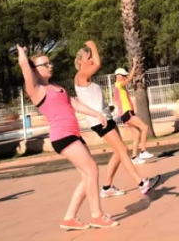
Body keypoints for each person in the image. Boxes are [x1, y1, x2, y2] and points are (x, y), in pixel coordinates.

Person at [16, 45, 118, 231]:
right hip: (62, 137)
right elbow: (24, 66)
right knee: (92, 169)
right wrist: (22, 54)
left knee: (86, 177)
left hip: (74, 135)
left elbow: (74, 103)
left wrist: (96, 113)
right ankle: (96, 215)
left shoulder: (56, 87)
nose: (50, 66)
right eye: (45, 64)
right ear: (34, 70)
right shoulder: (36, 90)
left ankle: (69, 218)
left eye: (50, 62)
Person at [74, 41, 160, 198]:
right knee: (122, 150)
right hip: (98, 121)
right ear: (80, 61)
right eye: (88, 58)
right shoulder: (81, 76)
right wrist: (93, 46)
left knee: (118, 151)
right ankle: (141, 183)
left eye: (91, 58)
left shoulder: (87, 78)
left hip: (106, 118)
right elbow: (99, 63)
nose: (92, 60)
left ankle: (107, 187)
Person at [112, 63, 153, 164]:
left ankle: (134, 157)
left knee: (137, 134)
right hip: (127, 113)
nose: (125, 77)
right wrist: (134, 65)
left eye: (125, 75)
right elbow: (129, 78)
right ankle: (143, 151)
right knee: (145, 127)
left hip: (125, 113)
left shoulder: (118, 88)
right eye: (123, 75)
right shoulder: (118, 84)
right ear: (118, 76)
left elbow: (115, 100)